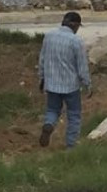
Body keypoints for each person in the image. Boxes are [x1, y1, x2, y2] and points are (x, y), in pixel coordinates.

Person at [37, 11, 92, 149]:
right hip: (70, 86)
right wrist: (87, 84)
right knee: (74, 115)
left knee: (52, 110)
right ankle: (71, 146)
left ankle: (49, 124)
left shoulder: (49, 36)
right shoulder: (76, 41)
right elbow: (82, 66)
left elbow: (42, 59)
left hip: (51, 84)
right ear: (75, 25)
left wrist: (42, 78)